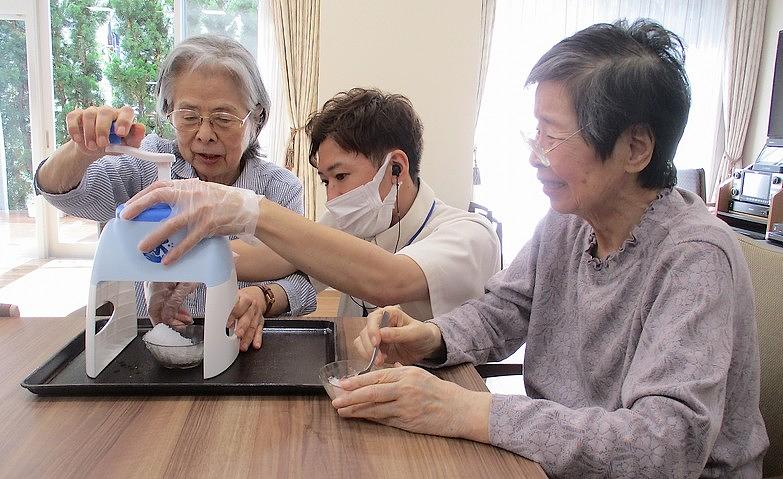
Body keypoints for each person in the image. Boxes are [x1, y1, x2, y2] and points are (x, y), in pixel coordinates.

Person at [327, 20, 769, 478]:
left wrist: (467, 411)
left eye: (552, 136)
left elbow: (664, 448)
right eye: (535, 132)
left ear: (635, 148)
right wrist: (432, 338)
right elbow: (507, 308)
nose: (535, 155)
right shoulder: (569, 218)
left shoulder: (694, 257)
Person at [34, 35, 316, 351]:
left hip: (239, 350)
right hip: (143, 349)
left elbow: (303, 283)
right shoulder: (146, 165)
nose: (205, 134)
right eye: (189, 116)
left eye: (224, 119)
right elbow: (61, 191)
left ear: (258, 119)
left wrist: (263, 297)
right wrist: (82, 149)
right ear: (169, 112)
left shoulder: (279, 188)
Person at [121, 88, 501, 321]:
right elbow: (273, 259)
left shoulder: (469, 236)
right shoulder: (359, 221)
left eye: (341, 176)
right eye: (324, 181)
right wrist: (184, 259)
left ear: (396, 166)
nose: (333, 198)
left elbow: (389, 280)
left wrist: (250, 209)